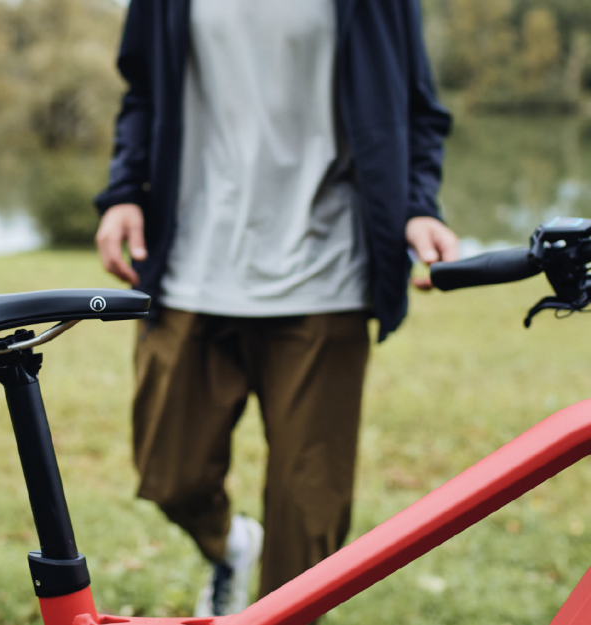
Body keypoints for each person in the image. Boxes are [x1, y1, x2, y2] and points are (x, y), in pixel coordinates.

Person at [93, 0, 460, 618]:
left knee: (308, 522)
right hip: (193, 266)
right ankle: (230, 545)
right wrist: (124, 191)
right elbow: (143, 89)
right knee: (171, 474)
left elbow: (418, 109)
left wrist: (419, 205)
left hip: (327, 275)